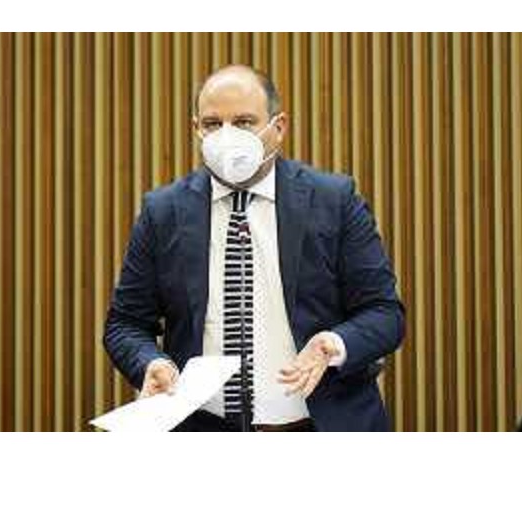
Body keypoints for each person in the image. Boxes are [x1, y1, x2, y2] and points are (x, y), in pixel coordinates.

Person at [103, 64, 405, 431]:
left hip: (318, 427)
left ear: (279, 127)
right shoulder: (163, 211)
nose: (227, 137)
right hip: (205, 430)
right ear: (196, 129)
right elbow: (125, 324)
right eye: (213, 124)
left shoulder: (334, 200)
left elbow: (385, 313)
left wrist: (335, 343)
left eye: (244, 122)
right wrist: (151, 362)